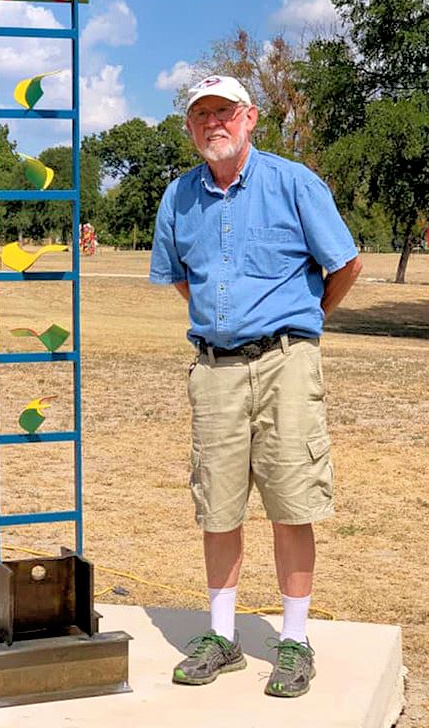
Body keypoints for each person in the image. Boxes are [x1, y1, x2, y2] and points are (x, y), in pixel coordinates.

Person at [150, 74, 362, 698]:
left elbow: (345, 264)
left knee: (292, 502)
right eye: (201, 115)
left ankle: (294, 641)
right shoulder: (178, 198)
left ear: (250, 118)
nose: (213, 122)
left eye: (225, 112)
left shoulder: (293, 182)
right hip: (213, 369)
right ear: (190, 129)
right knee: (217, 505)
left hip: (286, 364)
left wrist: (303, 320)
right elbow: (182, 280)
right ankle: (223, 636)